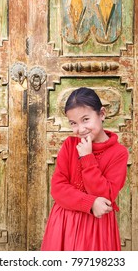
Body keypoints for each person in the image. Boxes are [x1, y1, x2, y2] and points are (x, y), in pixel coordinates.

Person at [41, 87, 129, 251]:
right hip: (63, 224)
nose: (80, 129)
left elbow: (106, 195)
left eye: (86, 119)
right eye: (73, 123)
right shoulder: (69, 145)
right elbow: (58, 188)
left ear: (102, 114)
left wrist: (87, 158)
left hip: (96, 227)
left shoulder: (118, 153)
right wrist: (90, 202)